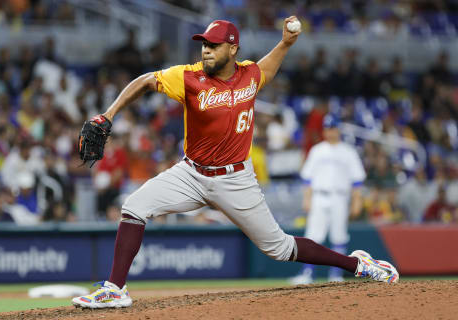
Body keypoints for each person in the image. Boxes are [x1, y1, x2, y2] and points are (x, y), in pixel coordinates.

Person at [72, 18, 399, 309]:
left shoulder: (250, 76)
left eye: (213, 45)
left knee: (281, 249)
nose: (206, 51)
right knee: (134, 206)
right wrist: (108, 114)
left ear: (233, 48)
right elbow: (145, 81)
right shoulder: (189, 78)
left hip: (235, 179)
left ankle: (357, 265)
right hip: (191, 173)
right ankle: (115, 289)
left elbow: (270, 65)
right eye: (204, 45)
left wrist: (286, 42)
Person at [289, 114, 366, 285]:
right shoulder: (318, 150)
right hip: (319, 196)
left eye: (332, 128)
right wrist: (307, 199)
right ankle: (307, 274)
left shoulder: (348, 152)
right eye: (327, 128)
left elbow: (357, 180)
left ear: (338, 129)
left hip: (340, 197)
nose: (330, 132)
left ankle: (336, 275)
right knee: (313, 237)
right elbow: (307, 178)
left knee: (339, 237)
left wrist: (356, 201)